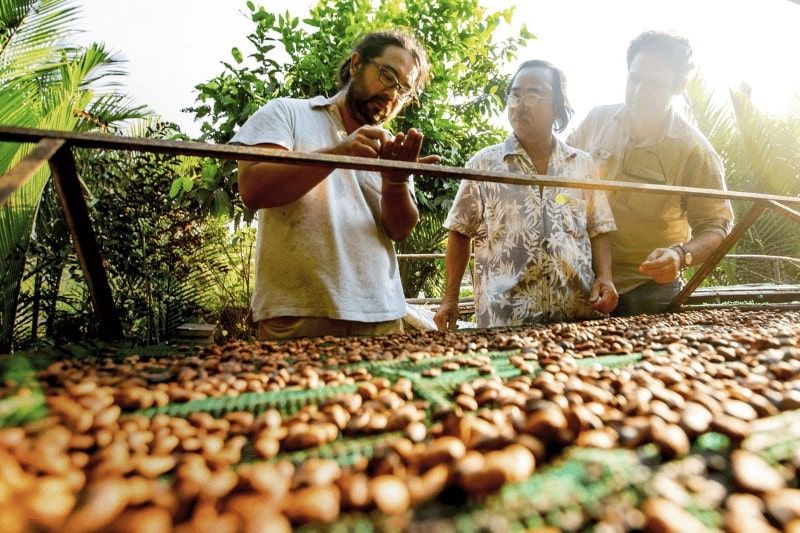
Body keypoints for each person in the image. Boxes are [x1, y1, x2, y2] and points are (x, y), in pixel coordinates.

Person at [232, 30, 439, 340]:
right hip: (298, 316)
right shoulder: (287, 113)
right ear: (356, 64)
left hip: (381, 317)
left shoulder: (391, 146)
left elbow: (400, 230)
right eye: (387, 75)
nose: (392, 94)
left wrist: (395, 180)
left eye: (404, 89)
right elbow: (253, 188)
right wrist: (339, 154)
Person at [433, 60, 618, 331]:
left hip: (577, 317)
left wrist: (605, 277)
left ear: (557, 104)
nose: (520, 103)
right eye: (515, 94)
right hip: (505, 318)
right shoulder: (484, 164)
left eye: (533, 94)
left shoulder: (582, 165)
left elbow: (599, 227)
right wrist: (450, 299)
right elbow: (460, 231)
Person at [568, 31, 734, 316]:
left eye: (655, 83)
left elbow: (717, 228)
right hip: (582, 278)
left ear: (679, 85)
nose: (640, 91)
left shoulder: (695, 151)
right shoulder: (597, 121)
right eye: (635, 79)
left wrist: (680, 255)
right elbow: (562, 183)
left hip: (647, 289)